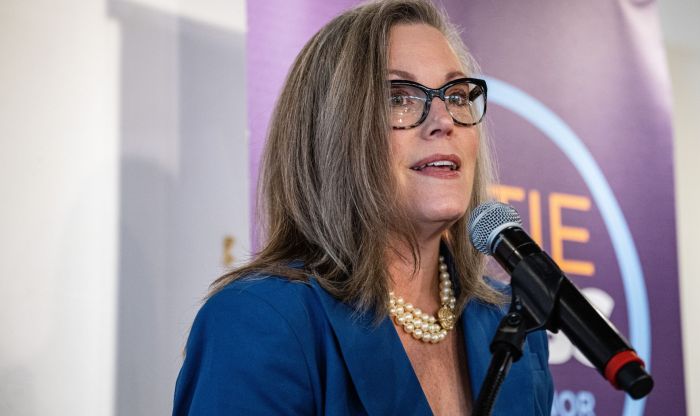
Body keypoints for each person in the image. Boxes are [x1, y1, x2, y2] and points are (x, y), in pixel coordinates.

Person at [173, 0, 553, 414]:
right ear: (331, 134)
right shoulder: (257, 321)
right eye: (399, 98)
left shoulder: (511, 325)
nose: (444, 119)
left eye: (457, 95)